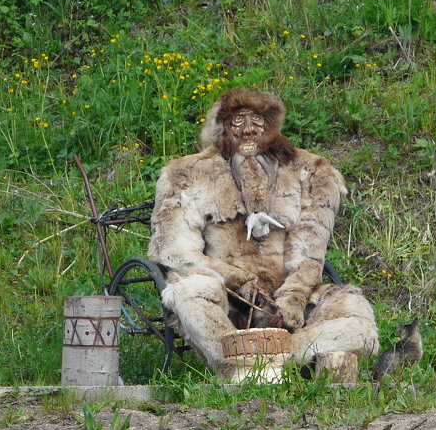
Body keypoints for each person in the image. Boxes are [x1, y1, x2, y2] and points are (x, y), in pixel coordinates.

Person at [148, 88, 378, 380]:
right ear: (223, 126)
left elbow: (308, 250)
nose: (247, 131)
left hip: (284, 304)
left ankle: (273, 360)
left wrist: (293, 296)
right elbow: (173, 250)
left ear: (271, 126)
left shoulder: (308, 172)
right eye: (238, 121)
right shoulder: (187, 173)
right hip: (226, 299)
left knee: (356, 316)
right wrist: (236, 278)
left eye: (256, 121)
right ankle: (238, 364)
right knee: (188, 291)